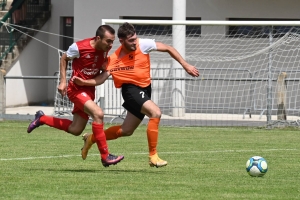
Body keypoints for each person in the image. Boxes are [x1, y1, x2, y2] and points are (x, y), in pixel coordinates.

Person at [72, 22, 199, 168]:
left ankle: (91, 138)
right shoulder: (113, 59)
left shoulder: (143, 45)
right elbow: (102, 78)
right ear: (122, 41)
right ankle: (153, 156)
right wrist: (84, 82)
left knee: (126, 131)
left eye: (135, 39)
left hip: (145, 89)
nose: (135, 42)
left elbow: (168, 48)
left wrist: (185, 65)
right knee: (155, 112)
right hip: (130, 90)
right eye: (131, 40)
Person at [27, 25, 124, 167]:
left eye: (112, 41)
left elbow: (100, 63)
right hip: (76, 89)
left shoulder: (105, 48)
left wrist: (105, 67)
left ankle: (42, 118)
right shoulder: (79, 47)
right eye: (108, 41)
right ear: (98, 38)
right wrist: (63, 81)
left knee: (76, 129)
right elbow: (64, 59)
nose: (111, 45)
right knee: (98, 113)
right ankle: (105, 156)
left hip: (89, 90)